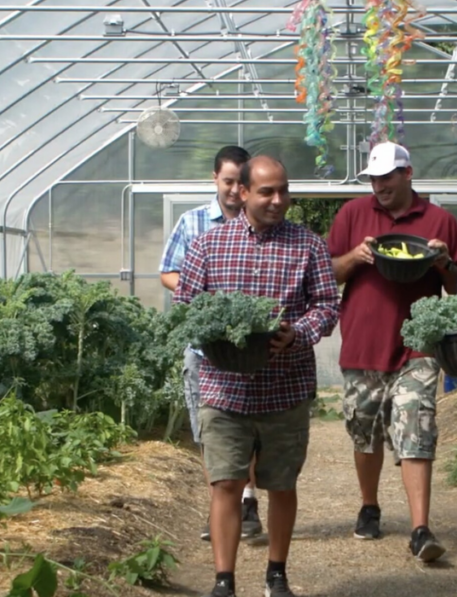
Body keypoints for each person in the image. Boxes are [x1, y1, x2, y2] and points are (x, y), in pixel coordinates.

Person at [174, 155, 340, 597]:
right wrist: (211, 333)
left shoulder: (308, 245)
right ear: (242, 193)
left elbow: (326, 306)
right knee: (226, 482)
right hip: (223, 387)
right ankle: (224, 582)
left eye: (283, 190)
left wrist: (298, 332)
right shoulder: (209, 244)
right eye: (267, 191)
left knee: (281, 485)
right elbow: (185, 304)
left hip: (284, 388)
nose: (278, 199)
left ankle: (276, 575)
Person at [326, 141, 457, 562]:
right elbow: (327, 270)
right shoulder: (352, 214)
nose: (379, 186)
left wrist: (442, 261)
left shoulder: (440, 221)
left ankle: (421, 529)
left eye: (387, 177)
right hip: (363, 344)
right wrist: (356, 256)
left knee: (416, 430)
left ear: (408, 174)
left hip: (417, 348)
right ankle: (369, 506)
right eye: (373, 178)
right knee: (364, 432)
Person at [159, 145, 265, 542]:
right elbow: (168, 272)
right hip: (204, 347)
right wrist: (201, 294)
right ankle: (221, 505)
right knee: (209, 430)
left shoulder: (260, 224)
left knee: (248, 427)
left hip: (249, 347)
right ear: (215, 180)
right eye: (228, 181)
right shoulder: (193, 222)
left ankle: (248, 500)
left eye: (242, 181)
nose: (236, 190)